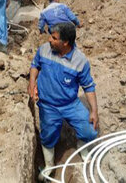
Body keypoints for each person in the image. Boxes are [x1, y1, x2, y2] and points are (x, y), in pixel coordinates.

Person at [28, 22, 99, 181]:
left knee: (89, 130)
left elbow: (88, 87)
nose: (49, 40)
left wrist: (94, 111)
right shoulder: (44, 50)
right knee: (47, 137)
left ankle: (83, 150)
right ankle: (48, 166)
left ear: (65, 42)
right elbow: (35, 65)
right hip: (48, 105)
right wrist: (32, 82)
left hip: (70, 104)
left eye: (54, 38)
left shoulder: (80, 61)